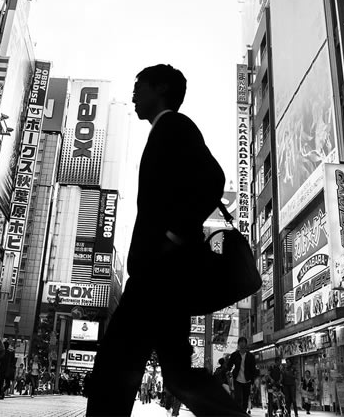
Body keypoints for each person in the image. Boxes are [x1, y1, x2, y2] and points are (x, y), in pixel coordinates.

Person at [86, 64, 245, 416]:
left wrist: (173, 235)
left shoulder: (174, 125)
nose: (134, 93)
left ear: (160, 89)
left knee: (116, 365)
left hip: (156, 274)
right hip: (164, 277)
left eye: (139, 85)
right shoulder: (167, 129)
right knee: (178, 375)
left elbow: (213, 179)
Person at [228, 336, 257, 412]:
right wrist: (228, 371)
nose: (242, 344)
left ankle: (243, 412)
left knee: (245, 399)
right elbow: (229, 365)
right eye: (240, 342)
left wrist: (252, 381)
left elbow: (253, 369)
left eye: (244, 342)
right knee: (238, 398)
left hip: (247, 380)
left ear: (246, 344)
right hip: (237, 379)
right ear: (238, 344)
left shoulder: (250, 356)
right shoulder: (234, 355)